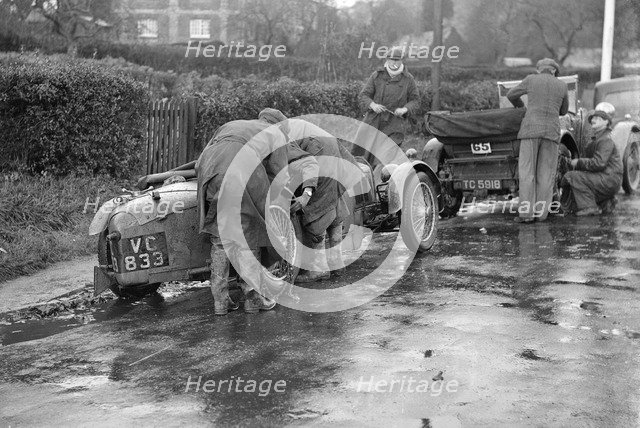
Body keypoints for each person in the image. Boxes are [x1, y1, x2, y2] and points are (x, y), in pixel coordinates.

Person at [195, 119, 289, 315]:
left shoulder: (230, 125)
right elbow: (280, 175)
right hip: (241, 172)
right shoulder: (277, 133)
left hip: (211, 171)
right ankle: (252, 298)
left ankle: (220, 302)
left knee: (220, 238)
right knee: (248, 235)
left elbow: (199, 163)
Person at [258, 108, 349, 282]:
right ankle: (336, 263)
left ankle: (317, 269)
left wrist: (306, 192)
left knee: (313, 210)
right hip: (332, 151)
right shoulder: (290, 124)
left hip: (317, 155)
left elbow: (293, 164)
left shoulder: (277, 133)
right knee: (332, 199)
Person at [507, 58, 569, 223]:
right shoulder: (562, 85)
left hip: (530, 130)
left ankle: (527, 215)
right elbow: (564, 111)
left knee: (527, 173)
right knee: (546, 175)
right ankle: (541, 215)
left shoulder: (531, 79)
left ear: (539, 69)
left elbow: (510, 94)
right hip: (551, 133)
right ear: (554, 70)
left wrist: (521, 107)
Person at [352, 46, 420, 178]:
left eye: (397, 60)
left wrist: (405, 109)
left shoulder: (408, 79)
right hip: (373, 121)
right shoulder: (377, 76)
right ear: (387, 60)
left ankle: (381, 184)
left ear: (402, 61)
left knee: (386, 157)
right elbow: (364, 95)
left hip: (395, 125)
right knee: (363, 154)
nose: (394, 63)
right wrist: (373, 105)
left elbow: (416, 101)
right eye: (391, 60)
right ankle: (356, 181)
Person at [561, 108, 622, 216]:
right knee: (580, 177)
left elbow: (599, 163)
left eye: (598, 118)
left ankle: (589, 207)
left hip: (608, 180)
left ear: (606, 122)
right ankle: (606, 202)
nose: (593, 120)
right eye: (593, 118)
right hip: (608, 179)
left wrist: (578, 162)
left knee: (572, 176)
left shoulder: (605, 139)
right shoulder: (599, 138)